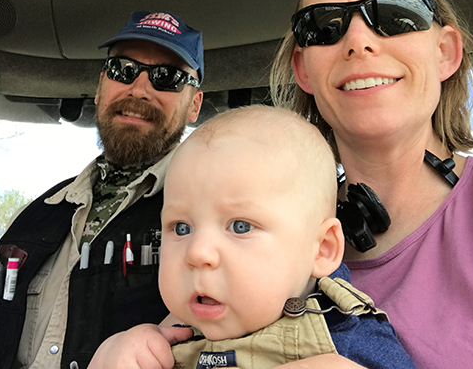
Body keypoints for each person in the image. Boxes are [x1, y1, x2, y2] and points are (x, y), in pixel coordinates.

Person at [270, 0, 473, 368]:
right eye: (324, 25)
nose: (358, 41)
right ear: (304, 70)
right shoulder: (260, 234)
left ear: (445, 52)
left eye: (396, 14)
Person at [88, 105, 416, 369]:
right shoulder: (165, 340)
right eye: (182, 228)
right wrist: (117, 351)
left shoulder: (348, 339)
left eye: (240, 226)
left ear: (321, 249)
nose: (198, 252)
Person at [0, 10, 204, 369]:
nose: (139, 89)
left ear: (195, 105)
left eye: (166, 78)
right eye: (123, 70)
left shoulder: (212, 212)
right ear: (100, 88)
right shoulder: (33, 216)